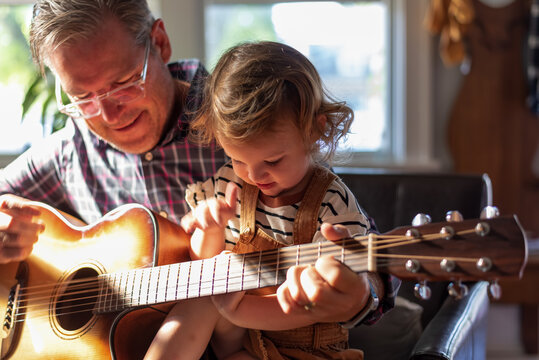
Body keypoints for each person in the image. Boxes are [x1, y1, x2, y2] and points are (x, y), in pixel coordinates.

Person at [0, 0, 398, 358]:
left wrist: (364, 294)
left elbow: (358, 246)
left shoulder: (241, 117)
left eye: (123, 83)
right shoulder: (71, 151)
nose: (107, 114)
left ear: (159, 41)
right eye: (82, 98)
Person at [147, 41, 397, 359]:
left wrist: (237, 310)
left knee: (214, 299)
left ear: (314, 131)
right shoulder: (231, 183)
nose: (254, 175)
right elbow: (204, 267)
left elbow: (311, 306)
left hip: (304, 346)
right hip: (243, 338)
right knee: (201, 296)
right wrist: (211, 228)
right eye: (238, 159)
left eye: (274, 160)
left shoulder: (331, 204)